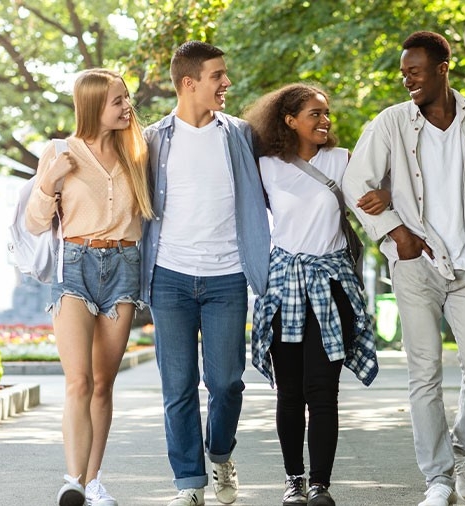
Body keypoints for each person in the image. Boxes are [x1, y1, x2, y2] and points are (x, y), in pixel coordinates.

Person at [341, 31, 465, 506]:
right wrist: (395, 231)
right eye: (403, 73)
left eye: (415, 71)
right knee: (424, 372)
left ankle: (463, 452)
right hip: (416, 265)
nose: (407, 80)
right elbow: (354, 181)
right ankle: (438, 478)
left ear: (443, 68)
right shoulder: (391, 123)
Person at [140, 41, 270, 506]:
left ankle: (220, 453)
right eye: (218, 75)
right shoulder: (152, 140)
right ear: (189, 82)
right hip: (170, 277)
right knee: (177, 387)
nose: (227, 83)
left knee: (227, 382)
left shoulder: (239, 135)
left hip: (228, 276)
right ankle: (189, 483)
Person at [243, 83, 384, 506]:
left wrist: (386, 195)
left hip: (332, 285)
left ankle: (320, 484)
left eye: (326, 113)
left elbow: (375, 197)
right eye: (315, 114)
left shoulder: (342, 160)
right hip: (283, 287)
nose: (325, 120)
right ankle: (294, 480)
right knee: (290, 392)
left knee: (322, 390)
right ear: (289, 121)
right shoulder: (266, 166)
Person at [25, 68, 154, 506]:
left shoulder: (137, 152)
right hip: (75, 267)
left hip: (124, 266)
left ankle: (94, 481)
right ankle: (73, 481)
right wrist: (48, 181)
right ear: (94, 105)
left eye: (126, 98)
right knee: (78, 381)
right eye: (118, 100)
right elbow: (35, 223)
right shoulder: (60, 152)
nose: (127, 107)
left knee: (102, 384)